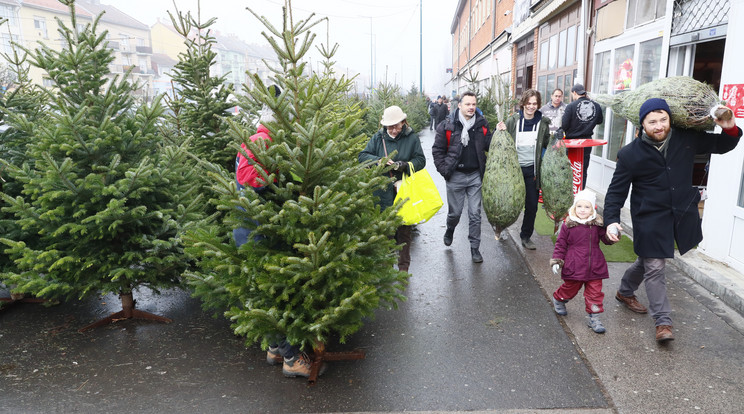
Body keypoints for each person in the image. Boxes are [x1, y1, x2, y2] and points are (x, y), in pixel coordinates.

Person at [604, 98, 741, 343]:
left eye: (663, 120)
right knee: (655, 266)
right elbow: (616, 192)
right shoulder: (629, 155)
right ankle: (663, 321)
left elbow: (723, 145)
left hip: (679, 212)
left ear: (670, 119)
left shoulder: (685, 138)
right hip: (648, 217)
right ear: (642, 124)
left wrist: (730, 126)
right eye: (652, 121)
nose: (659, 126)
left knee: (646, 260)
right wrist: (611, 220)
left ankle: (624, 292)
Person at [359, 105, 426, 272]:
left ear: (403, 122)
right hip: (382, 191)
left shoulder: (411, 138)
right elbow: (362, 156)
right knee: (386, 230)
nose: (394, 130)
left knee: (404, 231)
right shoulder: (378, 137)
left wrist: (406, 165)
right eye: (390, 127)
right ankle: (387, 268)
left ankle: (403, 268)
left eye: (396, 126)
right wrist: (379, 161)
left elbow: (421, 160)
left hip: (404, 191)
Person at [432, 91, 492, 263]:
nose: (471, 107)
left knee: (475, 214)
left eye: (474, 104)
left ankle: (475, 248)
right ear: (460, 105)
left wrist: (499, 132)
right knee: (455, 213)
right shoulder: (448, 125)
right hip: (455, 175)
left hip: (475, 176)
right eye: (468, 104)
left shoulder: (481, 125)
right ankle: (450, 228)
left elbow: (489, 144)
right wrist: (445, 171)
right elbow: (437, 150)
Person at [550, 190, 615, 334]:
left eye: (587, 207)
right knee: (570, 288)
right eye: (579, 206)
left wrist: (612, 234)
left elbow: (605, 239)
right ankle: (559, 298)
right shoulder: (568, 225)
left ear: (593, 208)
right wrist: (557, 260)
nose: (583, 210)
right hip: (574, 264)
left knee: (595, 293)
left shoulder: (597, 224)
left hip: (595, 266)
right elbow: (561, 244)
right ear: (574, 208)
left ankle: (595, 318)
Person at [496, 89, 550, 250]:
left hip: (532, 172)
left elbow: (546, 142)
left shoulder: (543, 123)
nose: (531, 107)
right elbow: (502, 139)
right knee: (509, 203)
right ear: (523, 103)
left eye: (534, 104)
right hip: (513, 172)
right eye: (529, 103)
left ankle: (526, 236)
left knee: (532, 206)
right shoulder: (513, 121)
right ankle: (502, 227)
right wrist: (498, 130)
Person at [561, 84, 604, 189]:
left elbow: (564, 125)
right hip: (587, 142)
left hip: (572, 143)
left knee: (569, 169)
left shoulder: (571, 106)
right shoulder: (596, 106)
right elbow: (599, 121)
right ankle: (581, 192)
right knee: (583, 169)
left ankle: (569, 193)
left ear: (574, 93)